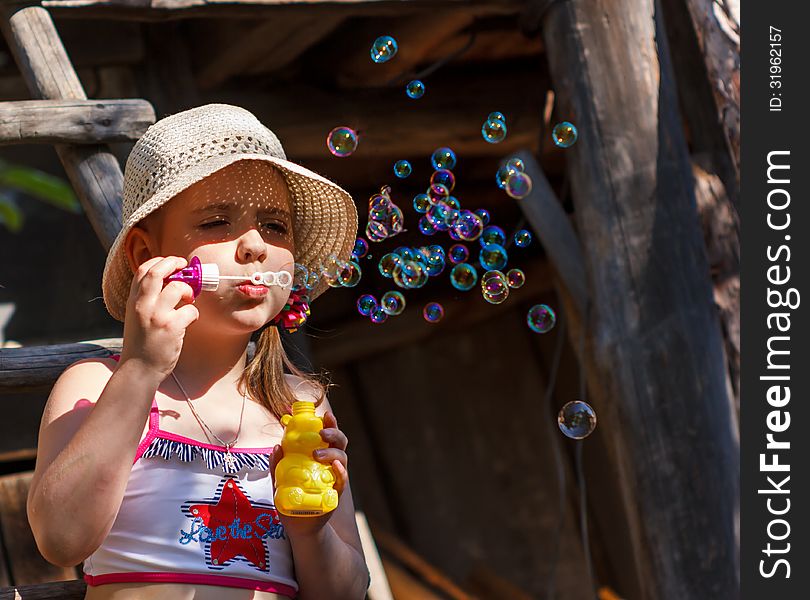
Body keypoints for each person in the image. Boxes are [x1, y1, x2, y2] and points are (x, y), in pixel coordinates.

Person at [26, 104, 370, 599]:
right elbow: (61, 540)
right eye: (216, 222)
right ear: (147, 256)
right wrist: (142, 369)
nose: (254, 245)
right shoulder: (97, 385)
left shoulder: (297, 402)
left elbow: (345, 593)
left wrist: (309, 527)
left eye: (275, 226)